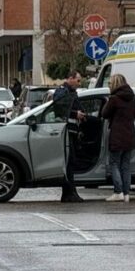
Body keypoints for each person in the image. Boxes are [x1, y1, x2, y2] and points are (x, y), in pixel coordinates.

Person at [102, 74, 135, 203]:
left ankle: (118, 192)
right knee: (126, 166)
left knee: (114, 163)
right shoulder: (131, 98)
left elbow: (104, 114)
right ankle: (127, 193)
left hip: (117, 135)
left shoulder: (114, 99)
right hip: (130, 135)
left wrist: (108, 103)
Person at [51, 70, 87, 203]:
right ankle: (69, 193)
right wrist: (75, 114)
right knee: (68, 163)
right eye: (78, 80)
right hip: (66, 131)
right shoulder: (62, 91)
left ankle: (70, 192)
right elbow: (60, 108)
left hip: (72, 130)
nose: (79, 83)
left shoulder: (70, 92)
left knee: (71, 162)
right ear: (70, 78)